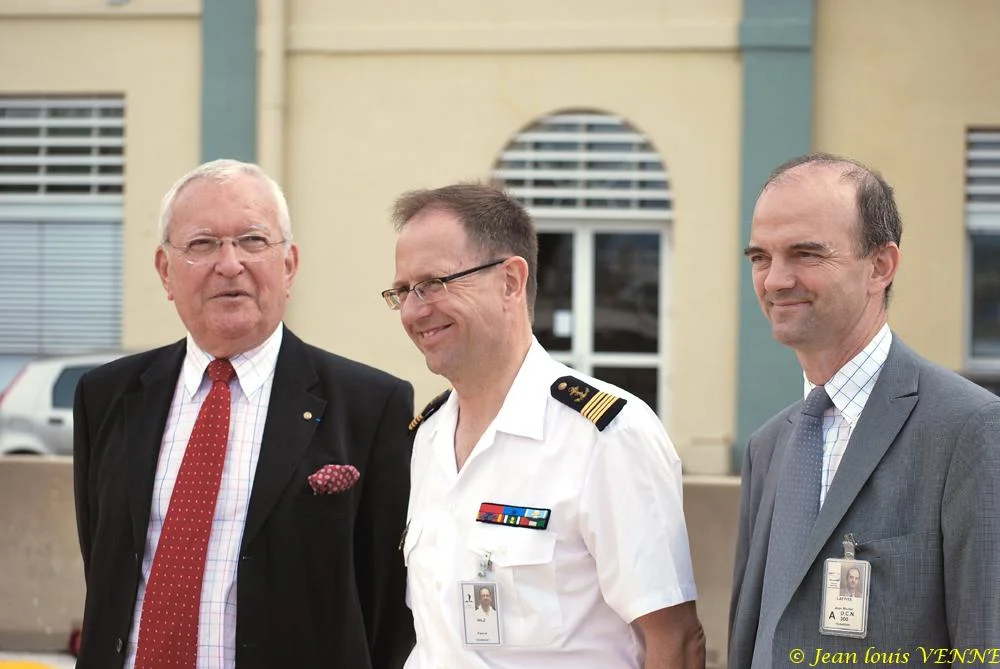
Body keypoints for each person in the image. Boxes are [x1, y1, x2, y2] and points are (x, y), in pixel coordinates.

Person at [73, 159, 415, 669]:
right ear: (166, 271)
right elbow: (103, 564)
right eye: (203, 244)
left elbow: (389, 608)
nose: (230, 264)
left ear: (289, 265)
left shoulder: (371, 406)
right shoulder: (107, 396)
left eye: (253, 241)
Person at [385, 183, 705, 668]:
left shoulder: (606, 437)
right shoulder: (427, 436)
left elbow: (674, 642)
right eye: (403, 291)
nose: (413, 310)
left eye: (434, 284)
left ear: (511, 281)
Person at [729, 153, 1000, 668]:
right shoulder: (769, 446)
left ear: (880, 266)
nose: (775, 280)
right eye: (760, 257)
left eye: (805, 254)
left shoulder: (970, 431)